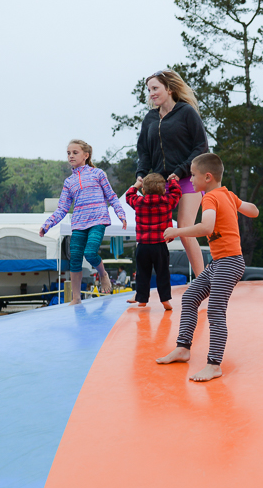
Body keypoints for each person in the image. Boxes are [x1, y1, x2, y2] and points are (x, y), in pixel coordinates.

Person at [156, 154, 259, 382]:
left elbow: (206, 227)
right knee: (190, 297)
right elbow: (253, 211)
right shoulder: (228, 195)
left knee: (215, 310)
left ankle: (214, 364)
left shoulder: (210, 198)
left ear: (208, 177)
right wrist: (244, 207)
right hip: (220, 262)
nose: (190, 180)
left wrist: (176, 231)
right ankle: (183, 348)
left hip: (229, 262)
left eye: (193, 175)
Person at [136, 69, 209, 279]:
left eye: (155, 88)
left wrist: (180, 171)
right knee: (151, 236)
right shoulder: (149, 119)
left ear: (169, 88)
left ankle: (203, 282)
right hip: (159, 183)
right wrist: (141, 174)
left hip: (188, 179)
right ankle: (144, 288)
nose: (151, 93)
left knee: (184, 229)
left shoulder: (186, 112)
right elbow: (144, 152)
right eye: (149, 90)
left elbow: (201, 146)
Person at [40, 140, 127, 305]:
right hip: (79, 223)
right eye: (68, 153)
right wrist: (47, 224)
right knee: (75, 259)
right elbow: (62, 209)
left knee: (90, 252)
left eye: (75, 152)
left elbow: (111, 196)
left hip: (98, 219)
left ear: (86, 155)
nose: (71, 156)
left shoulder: (98, 174)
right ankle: (76, 298)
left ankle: (103, 274)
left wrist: (120, 214)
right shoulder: (69, 182)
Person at [125, 172, 182, 310]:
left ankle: (142, 299)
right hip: (160, 245)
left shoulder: (139, 202)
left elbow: (129, 196)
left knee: (142, 273)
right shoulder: (167, 201)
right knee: (163, 273)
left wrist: (136, 185)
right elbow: (177, 193)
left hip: (143, 246)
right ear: (163, 190)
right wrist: (173, 181)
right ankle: (165, 299)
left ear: (143, 190)